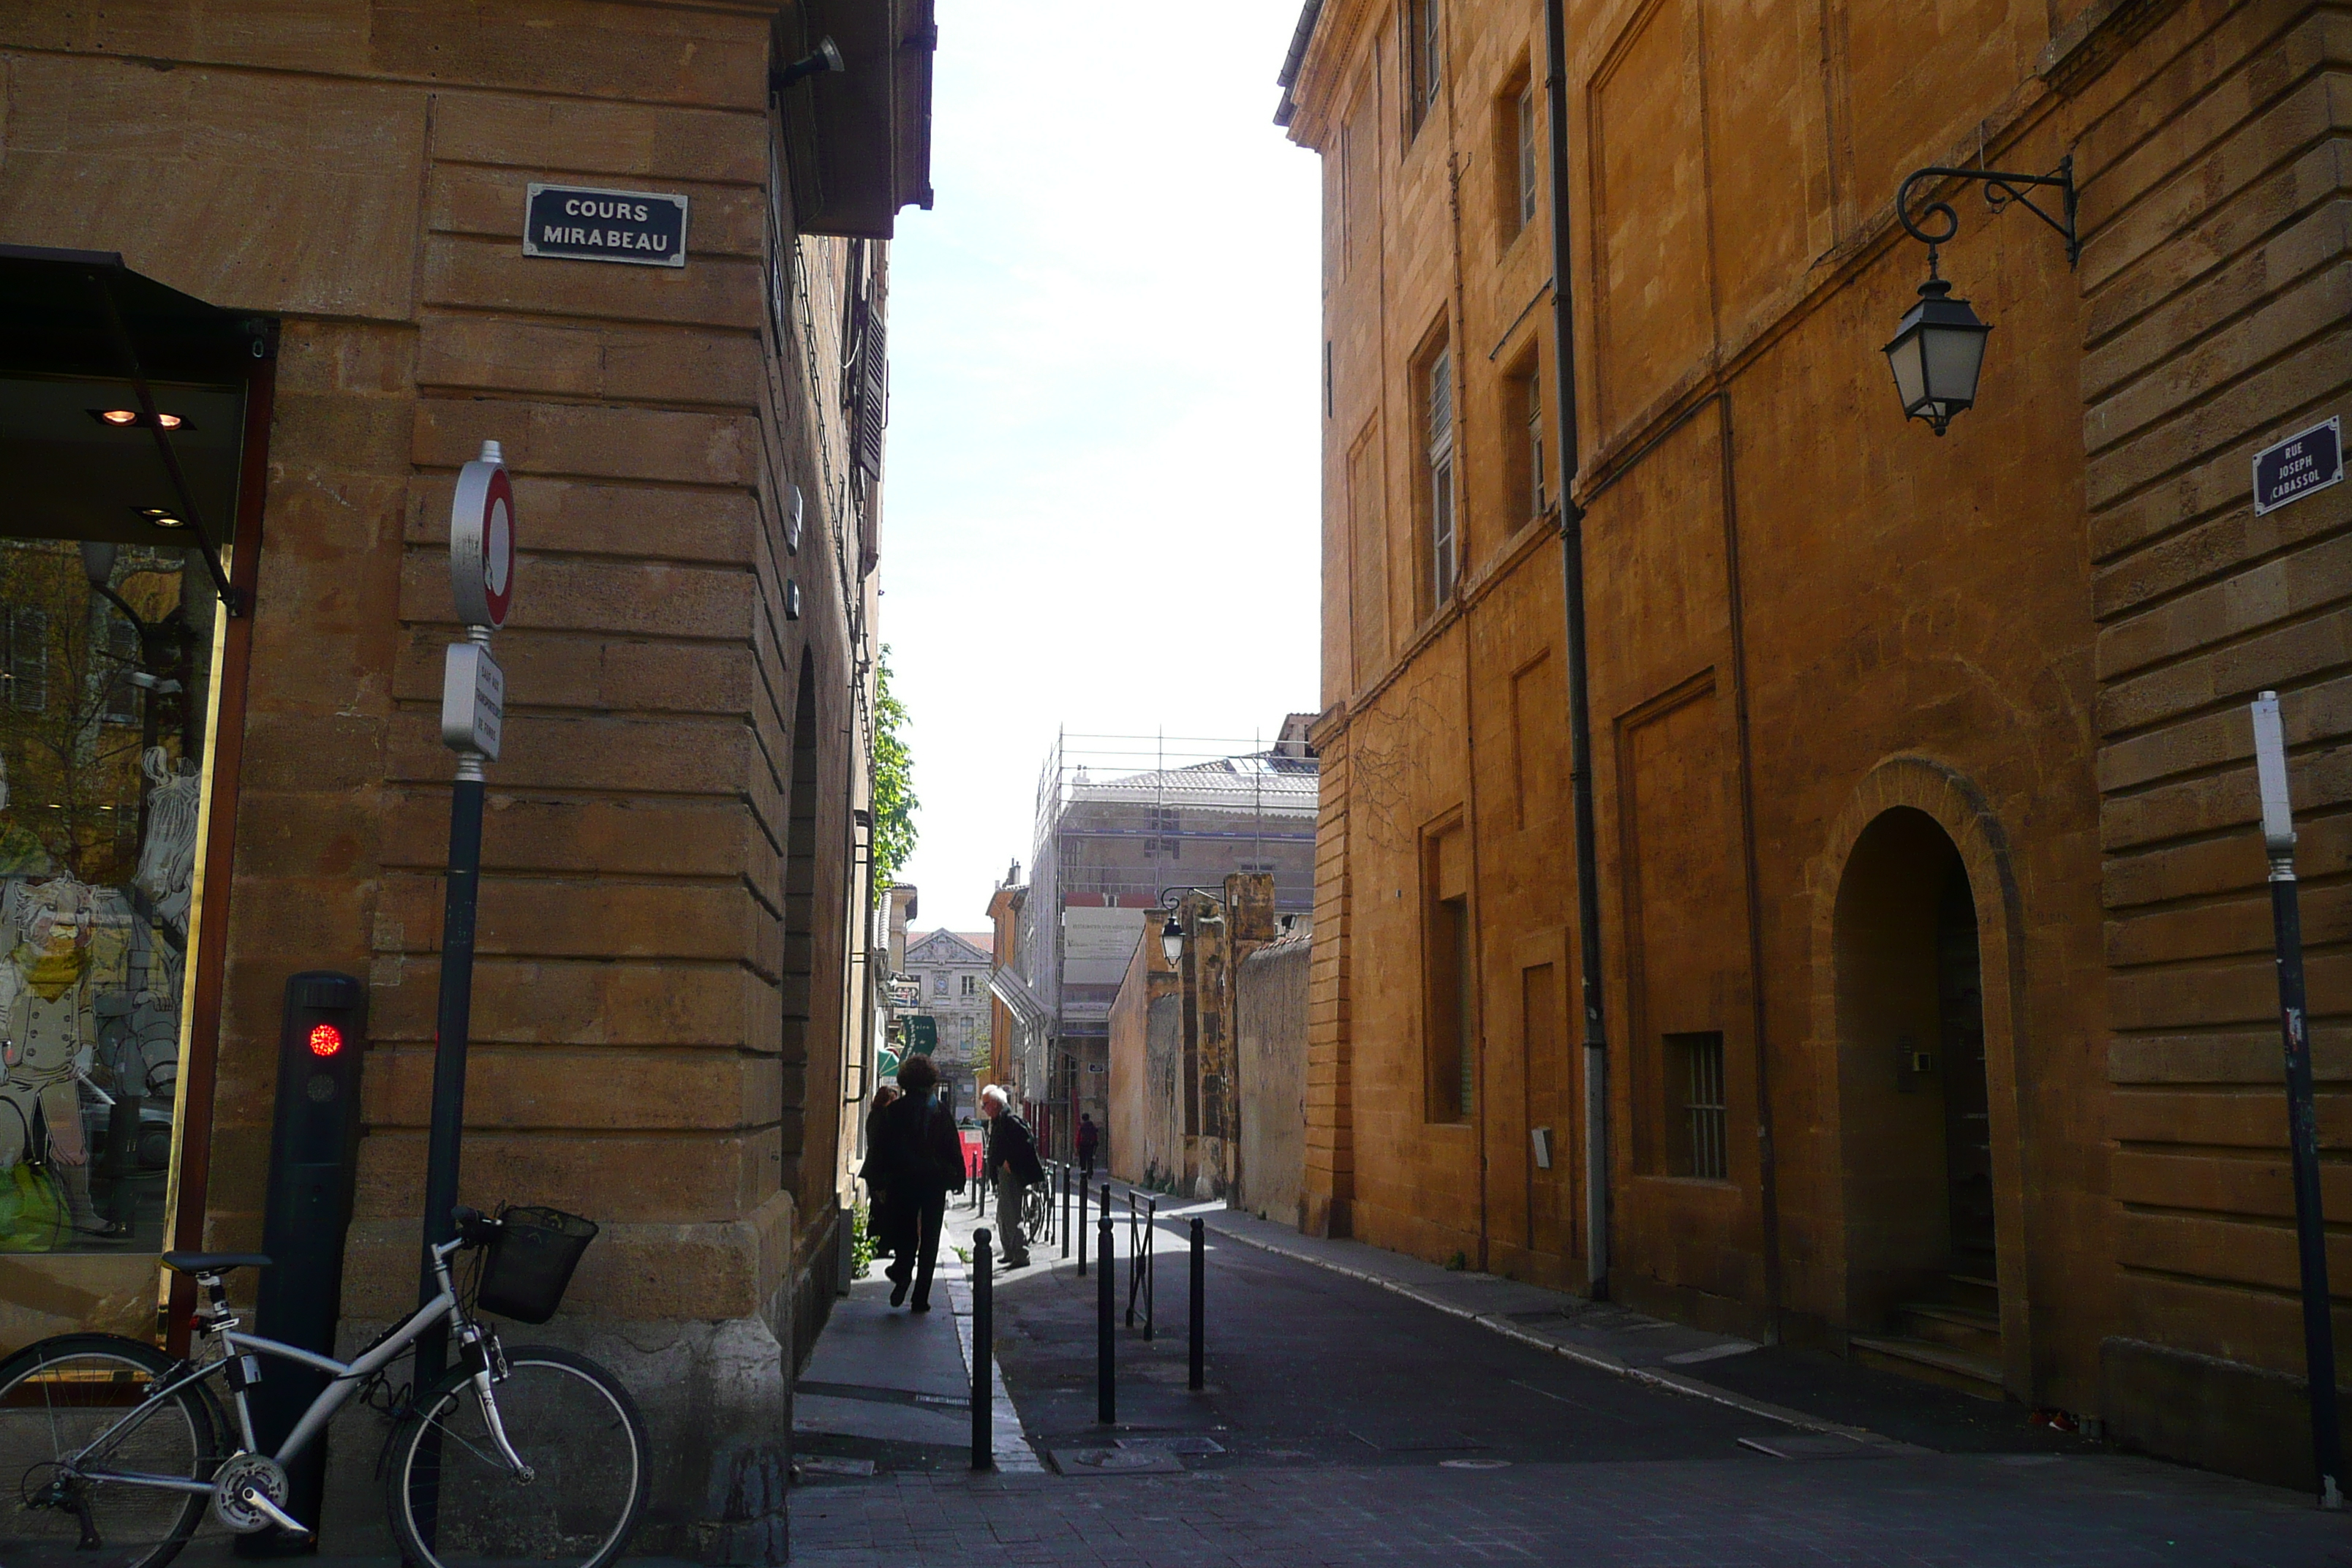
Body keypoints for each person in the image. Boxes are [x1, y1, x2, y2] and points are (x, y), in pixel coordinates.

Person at [861, 1058, 964, 1310]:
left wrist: (879, 1183)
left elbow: (880, 1149)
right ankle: (921, 1298)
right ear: (931, 1081)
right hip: (933, 1182)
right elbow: (953, 1147)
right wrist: (957, 1177)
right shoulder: (939, 1110)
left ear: (905, 1081)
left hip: (903, 1181)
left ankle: (903, 1273)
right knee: (930, 1240)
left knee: (905, 1233)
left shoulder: (893, 1112)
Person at [979, 1085, 1041, 1270]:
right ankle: (1010, 1252)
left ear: (996, 1104)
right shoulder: (999, 1120)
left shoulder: (1010, 1120)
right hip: (1002, 1173)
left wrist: (1010, 1162)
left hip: (1010, 1174)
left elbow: (1027, 1143)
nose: (984, 1108)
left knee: (1012, 1215)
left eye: (985, 1104)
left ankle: (1021, 1254)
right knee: (1003, 1216)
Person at [1076, 1112, 1101, 1181]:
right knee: (1090, 1159)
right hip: (1091, 1145)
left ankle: (1083, 1172)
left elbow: (1079, 1137)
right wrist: (1095, 1144)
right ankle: (1090, 1173)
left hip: (1083, 1145)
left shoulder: (1082, 1127)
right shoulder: (1092, 1127)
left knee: (1083, 1160)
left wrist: (1077, 1146)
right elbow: (1095, 1136)